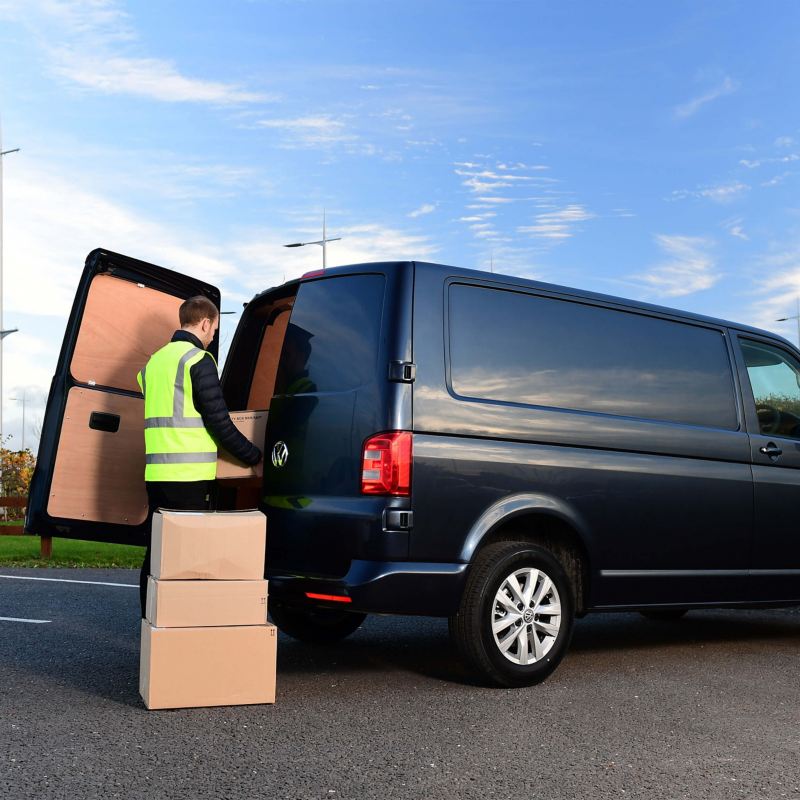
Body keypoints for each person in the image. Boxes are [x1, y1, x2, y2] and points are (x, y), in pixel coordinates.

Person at [136, 295, 262, 616]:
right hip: (189, 478)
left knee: (157, 553)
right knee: (187, 557)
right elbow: (219, 422)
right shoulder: (198, 361)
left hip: (157, 475)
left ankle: (151, 621)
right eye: (214, 329)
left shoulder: (154, 363)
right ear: (205, 323)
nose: (213, 336)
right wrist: (253, 456)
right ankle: (180, 625)